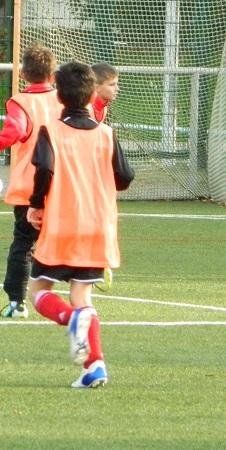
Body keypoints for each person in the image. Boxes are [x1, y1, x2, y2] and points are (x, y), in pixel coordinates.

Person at [26, 61, 135, 389]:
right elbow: (125, 176)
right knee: (82, 296)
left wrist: (35, 205)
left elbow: (44, 170)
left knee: (38, 291)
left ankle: (72, 319)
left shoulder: (51, 131)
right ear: (91, 96)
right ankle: (95, 367)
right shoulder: (106, 134)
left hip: (62, 225)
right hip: (98, 226)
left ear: (59, 96)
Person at [0, 43, 58, 318]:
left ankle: (17, 303)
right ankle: (83, 287)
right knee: (61, 240)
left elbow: (15, 131)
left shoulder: (21, 102)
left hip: (31, 186)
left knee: (24, 244)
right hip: (63, 184)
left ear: (22, 74)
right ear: (53, 76)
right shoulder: (65, 99)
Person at [90, 62, 120, 291]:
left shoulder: (102, 107)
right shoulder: (88, 108)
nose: (117, 88)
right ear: (96, 87)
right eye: (112, 84)